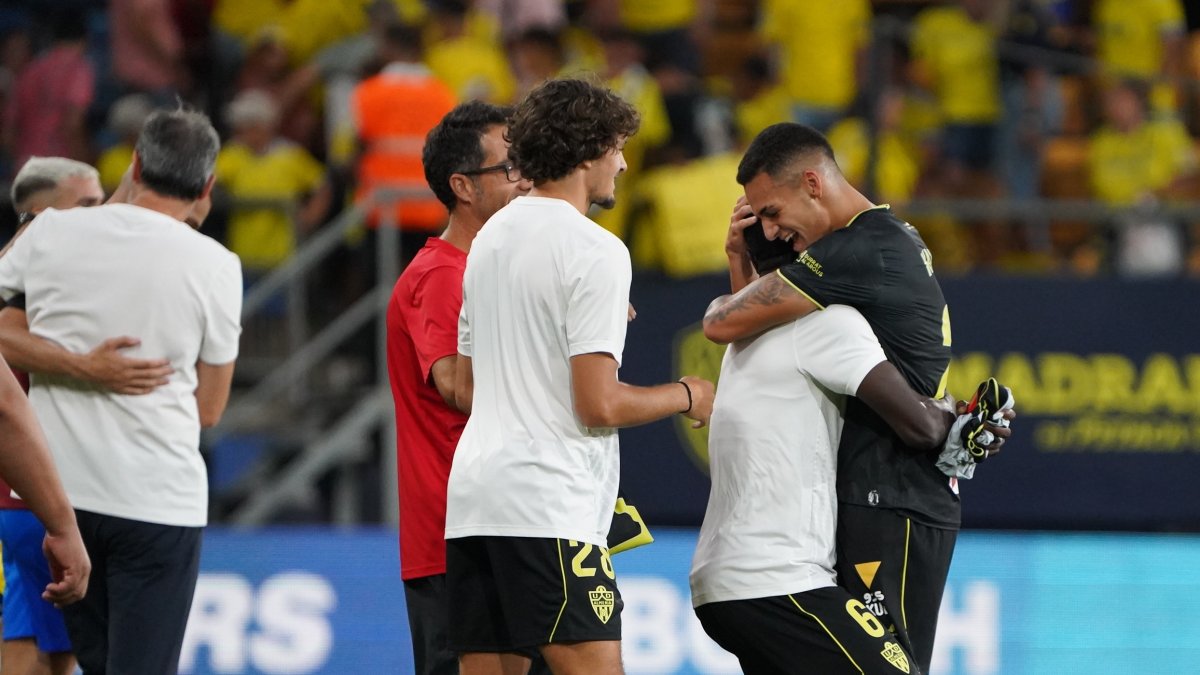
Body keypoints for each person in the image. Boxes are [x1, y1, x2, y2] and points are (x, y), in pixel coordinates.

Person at [444, 78, 715, 675]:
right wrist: (688, 394)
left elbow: (466, 388)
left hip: (474, 502)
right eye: (617, 147)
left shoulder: (488, 241)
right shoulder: (596, 251)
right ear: (589, 151)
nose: (622, 162)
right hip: (548, 505)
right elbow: (599, 406)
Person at [702, 123, 977, 674]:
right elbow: (763, 340)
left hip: (891, 493)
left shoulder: (852, 254)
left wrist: (738, 265)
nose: (772, 232)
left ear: (812, 182)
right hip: (891, 490)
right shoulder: (881, 238)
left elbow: (723, 325)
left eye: (773, 213)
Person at [0, 108, 242, 675]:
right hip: (158, 505)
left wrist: (72, 367)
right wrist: (101, 373)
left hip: (62, 502)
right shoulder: (217, 265)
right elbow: (209, 408)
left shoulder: (52, 230)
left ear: (134, 164)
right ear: (207, 185)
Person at [387, 100, 531, 675]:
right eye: (510, 167)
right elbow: (459, 387)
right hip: (457, 541)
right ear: (462, 186)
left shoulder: (485, 268)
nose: (524, 179)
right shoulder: (445, 274)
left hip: (496, 525)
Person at [0, 157, 113, 675]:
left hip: (38, 497)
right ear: (41, 216)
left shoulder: (63, 280)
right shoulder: (28, 285)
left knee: (47, 651)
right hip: (24, 500)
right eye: (88, 204)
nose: (104, 213)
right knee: (37, 650)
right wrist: (87, 367)